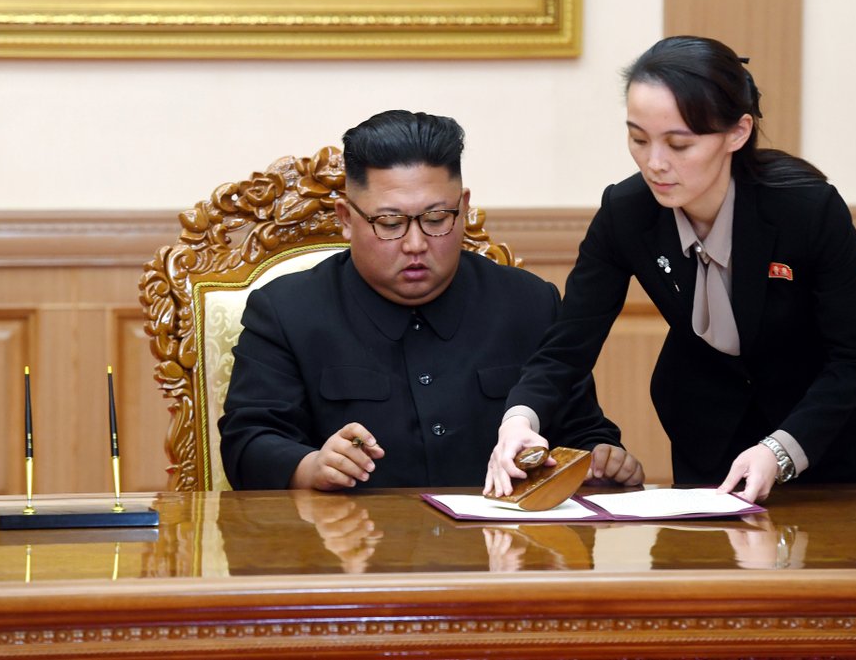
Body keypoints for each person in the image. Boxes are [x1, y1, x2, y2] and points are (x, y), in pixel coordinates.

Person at [485, 36, 856, 502]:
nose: (654, 164)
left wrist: (780, 450)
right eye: (638, 139)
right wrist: (519, 421)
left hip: (827, 440)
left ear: (738, 133)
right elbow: (566, 348)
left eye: (679, 144)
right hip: (709, 433)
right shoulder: (626, 213)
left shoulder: (807, 211)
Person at [219, 109, 644, 491]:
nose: (416, 244)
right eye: (390, 223)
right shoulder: (286, 311)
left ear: (464, 208)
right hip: (351, 557)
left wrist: (604, 456)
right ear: (346, 219)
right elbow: (247, 444)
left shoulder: (530, 303)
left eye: (437, 219)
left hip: (500, 557)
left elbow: (582, 432)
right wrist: (311, 465)